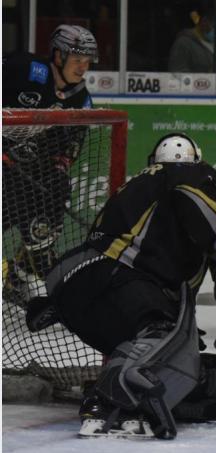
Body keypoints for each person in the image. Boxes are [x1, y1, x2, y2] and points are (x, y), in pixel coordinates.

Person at [33, 134, 216, 439]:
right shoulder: (189, 174)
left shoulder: (142, 183)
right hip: (115, 278)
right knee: (160, 330)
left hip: (75, 284)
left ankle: (114, 393)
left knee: (157, 337)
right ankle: (108, 397)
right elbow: (203, 210)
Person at [2, 24, 97, 305]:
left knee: (54, 194)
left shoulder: (81, 99)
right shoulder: (26, 69)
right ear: (58, 56)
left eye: (87, 61)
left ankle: (18, 276)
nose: (83, 67)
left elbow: (71, 143)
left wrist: (59, 166)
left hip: (21, 171)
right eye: (77, 60)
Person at [168, 3, 215, 72]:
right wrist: (207, 76)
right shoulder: (183, 44)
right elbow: (177, 73)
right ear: (204, 21)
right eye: (215, 26)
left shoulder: (213, 43)